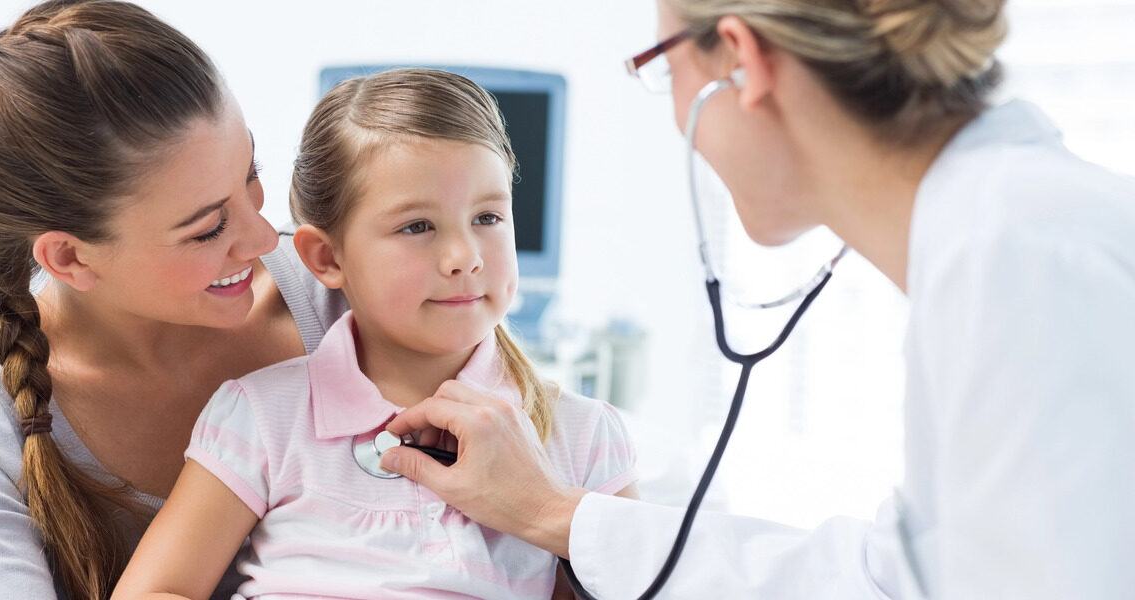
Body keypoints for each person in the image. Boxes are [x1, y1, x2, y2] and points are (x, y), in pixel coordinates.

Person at [382, 0, 1135, 598]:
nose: (675, 114)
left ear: (739, 62)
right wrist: (552, 514)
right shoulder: (993, 237)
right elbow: (886, 581)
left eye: (661, 64)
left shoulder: (1019, 257)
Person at [109, 68, 640, 600]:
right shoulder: (260, 415)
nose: (465, 257)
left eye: (488, 217)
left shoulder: (584, 437)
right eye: (417, 227)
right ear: (326, 257)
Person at [0, 2, 347, 599]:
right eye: (208, 228)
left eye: (250, 173)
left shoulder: (342, 297)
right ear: (71, 258)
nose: (263, 238)